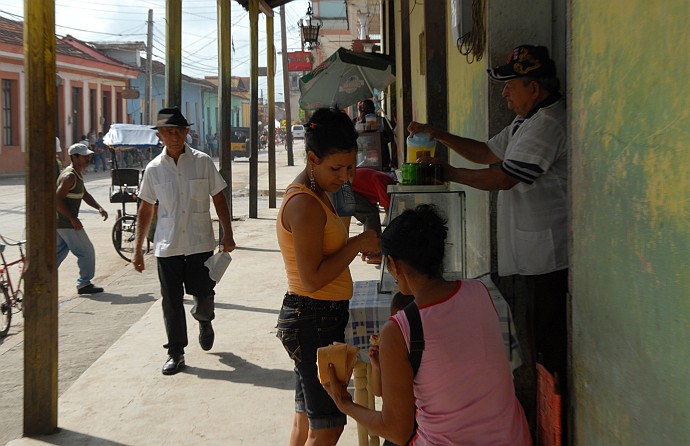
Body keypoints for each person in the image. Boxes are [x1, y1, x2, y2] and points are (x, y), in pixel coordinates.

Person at [407, 44, 568, 439]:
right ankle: (536, 424)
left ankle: (550, 427)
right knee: (529, 349)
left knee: (545, 355)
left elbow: (505, 176)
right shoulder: (524, 122)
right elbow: (486, 152)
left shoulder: (549, 123)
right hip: (523, 257)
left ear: (534, 87)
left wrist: (450, 173)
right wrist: (437, 134)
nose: (504, 94)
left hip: (544, 261)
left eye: (510, 86)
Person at [323, 204, 532, 445]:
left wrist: (344, 403)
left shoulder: (400, 329)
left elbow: (396, 431)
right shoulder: (479, 291)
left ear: (395, 265)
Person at [275, 108, 380, 446]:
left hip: (316, 317)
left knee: (305, 422)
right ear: (311, 159)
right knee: (328, 428)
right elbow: (312, 279)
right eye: (336, 168)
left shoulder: (322, 192)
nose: (345, 177)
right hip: (312, 318)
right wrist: (356, 245)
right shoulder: (304, 204)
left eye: (350, 167)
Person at [132, 107, 236, 376]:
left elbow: (218, 198)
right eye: (168, 132)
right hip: (168, 245)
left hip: (200, 243)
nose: (174, 136)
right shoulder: (153, 169)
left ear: (187, 132)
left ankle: (204, 320)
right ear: (161, 136)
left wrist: (228, 233)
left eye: (179, 130)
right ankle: (176, 352)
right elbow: (146, 209)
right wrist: (138, 250)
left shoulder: (202, 162)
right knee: (171, 300)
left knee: (203, 295)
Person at [56, 143, 109, 295]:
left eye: (88, 155)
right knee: (86, 252)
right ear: (74, 157)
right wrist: (72, 219)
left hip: (62, 223)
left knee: (58, 253)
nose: (88, 158)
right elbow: (57, 199)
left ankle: (41, 278)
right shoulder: (69, 176)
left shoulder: (77, 175)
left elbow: (85, 194)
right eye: (84, 156)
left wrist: (99, 207)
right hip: (66, 223)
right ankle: (84, 284)